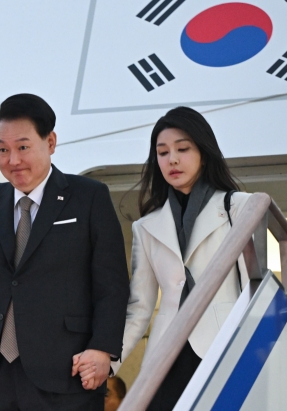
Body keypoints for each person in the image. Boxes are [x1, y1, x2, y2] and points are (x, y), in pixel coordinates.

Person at [0, 93, 130, 411]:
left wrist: (103, 349)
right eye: (2, 150)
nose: (13, 160)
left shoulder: (88, 197)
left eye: (22, 147)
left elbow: (112, 284)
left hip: (65, 370)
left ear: (51, 142)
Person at [76, 106, 250, 410]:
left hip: (226, 345)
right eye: (162, 152)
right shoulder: (145, 227)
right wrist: (109, 358)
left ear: (204, 153)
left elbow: (256, 289)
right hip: (167, 353)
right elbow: (140, 308)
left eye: (182, 149)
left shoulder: (240, 207)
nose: (172, 159)